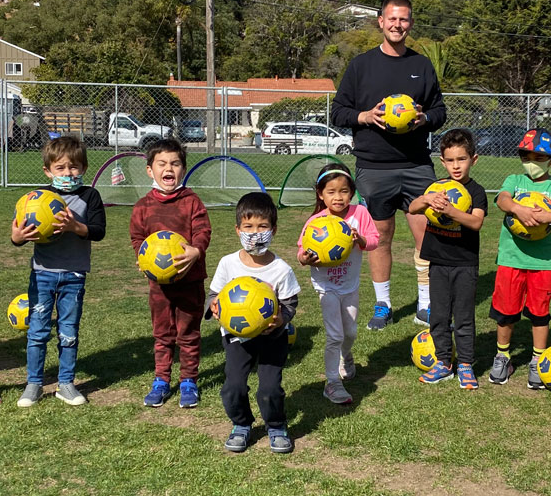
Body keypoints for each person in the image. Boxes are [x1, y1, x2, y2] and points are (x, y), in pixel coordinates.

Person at [331, 0, 446, 330]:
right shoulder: (361, 65)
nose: (398, 25)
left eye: (404, 19)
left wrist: (424, 119)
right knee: (379, 236)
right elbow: (339, 112)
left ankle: (425, 304)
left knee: (426, 232)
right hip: (374, 166)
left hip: (416, 164)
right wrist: (365, 116)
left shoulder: (421, 65)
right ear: (380, 21)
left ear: (410, 24)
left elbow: (439, 111)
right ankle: (383, 304)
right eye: (392, 19)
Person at [11, 134, 106, 407]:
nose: (68, 173)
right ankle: (34, 384)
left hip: (74, 275)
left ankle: (66, 383)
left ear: (84, 168)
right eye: (61, 168)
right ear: (48, 171)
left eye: (74, 167)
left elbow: (99, 231)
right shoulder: (36, 199)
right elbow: (16, 238)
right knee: (38, 331)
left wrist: (76, 227)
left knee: (69, 331)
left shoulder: (90, 195)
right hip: (42, 273)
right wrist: (17, 236)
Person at [209, 192, 301, 453]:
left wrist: (282, 318)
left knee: (270, 387)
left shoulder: (281, 269)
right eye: (248, 227)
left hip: (273, 337)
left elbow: (290, 302)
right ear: (237, 229)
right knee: (233, 386)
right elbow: (214, 294)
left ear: (274, 230)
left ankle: (276, 425)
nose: (255, 233)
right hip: (236, 338)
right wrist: (214, 306)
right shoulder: (228, 263)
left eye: (262, 227)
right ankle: (241, 424)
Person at [129, 138, 211, 409]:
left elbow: (202, 231)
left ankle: (189, 380)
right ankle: (161, 380)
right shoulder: (143, 205)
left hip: (190, 281)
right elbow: (137, 238)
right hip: (159, 285)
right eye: (162, 164)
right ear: (150, 170)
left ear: (183, 169)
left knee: (188, 333)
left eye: (175, 164)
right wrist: (143, 259)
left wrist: (196, 251)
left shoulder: (192, 201)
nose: (169, 169)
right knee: (163, 333)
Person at [489, 129, 551, 389]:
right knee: (506, 313)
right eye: (526, 155)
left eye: (539, 156)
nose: (532, 161)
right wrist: (518, 208)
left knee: (539, 314)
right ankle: (502, 356)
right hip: (511, 259)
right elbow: (502, 199)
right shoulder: (514, 180)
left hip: (543, 263)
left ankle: (538, 360)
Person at [407, 129, 488, 389]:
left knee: (463, 316)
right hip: (438, 261)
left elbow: (475, 222)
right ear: (442, 162)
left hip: (465, 263)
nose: (456, 166)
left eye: (461, 159)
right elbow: (412, 208)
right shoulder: (437, 188)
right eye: (450, 160)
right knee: (439, 315)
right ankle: (443, 362)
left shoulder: (476, 191)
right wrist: (426, 199)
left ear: (473, 160)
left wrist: (451, 211)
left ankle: (465, 364)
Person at [297, 164, 379, 405]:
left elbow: (375, 240)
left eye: (343, 191)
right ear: (321, 194)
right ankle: (332, 382)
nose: (338, 197)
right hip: (326, 286)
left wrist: (361, 239)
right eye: (331, 191)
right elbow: (301, 251)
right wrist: (305, 259)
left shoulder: (360, 214)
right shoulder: (316, 221)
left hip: (350, 284)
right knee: (335, 334)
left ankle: (346, 356)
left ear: (352, 192)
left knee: (350, 332)